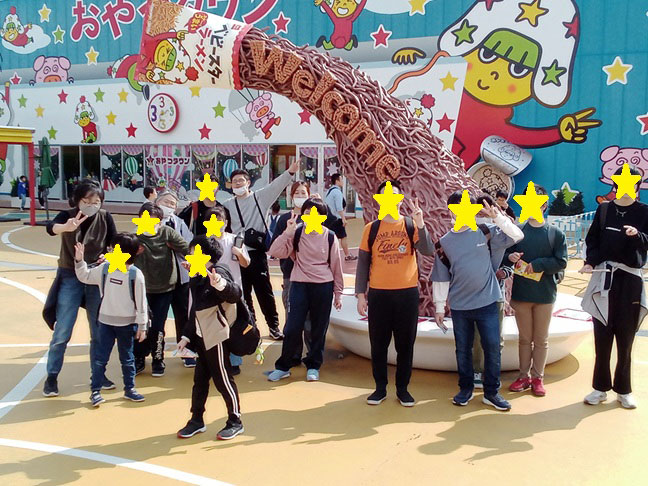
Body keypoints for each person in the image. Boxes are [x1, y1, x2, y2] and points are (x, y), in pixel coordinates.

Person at [432, 190, 523, 411]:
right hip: (460, 306)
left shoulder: (487, 232)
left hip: (489, 302)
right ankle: (465, 389)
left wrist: (497, 216)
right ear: (451, 211)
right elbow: (441, 277)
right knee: (462, 349)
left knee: (492, 348)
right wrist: (439, 308)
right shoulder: (444, 243)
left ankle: (491, 393)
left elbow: (517, 235)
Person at [355, 181, 435, 407]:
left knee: (405, 345)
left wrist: (421, 223)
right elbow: (363, 264)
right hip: (379, 295)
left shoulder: (410, 225)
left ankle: (403, 389)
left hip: (406, 295)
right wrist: (360, 295)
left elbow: (428, 250)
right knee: (378, 344)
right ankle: (380, 388)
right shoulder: (371, 229)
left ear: (400, 200)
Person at [580, 165, 648, 410]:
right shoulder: (605, 209)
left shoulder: (644, 211)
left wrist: (637, 235)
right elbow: (593, 240)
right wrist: (590, 262)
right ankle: (600, 388)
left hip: (630, 280)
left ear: (638, 186)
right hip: (604, 278)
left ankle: (624, 390)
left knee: (626, 338)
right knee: (602, 335)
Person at [43, 179, 117, 397]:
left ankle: (98, 375)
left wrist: (109, 255)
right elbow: (51, 228)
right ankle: (52, 376)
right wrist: (66, 227)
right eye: (87, 201)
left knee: (98, 330)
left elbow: (114, 243)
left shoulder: (105, 217)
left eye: (96, 201)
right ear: (77, 200)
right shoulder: (67, 216)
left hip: (95, 275)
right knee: (63, 330)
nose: (92, 205)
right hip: (70, 275)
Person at [266, 197, 344, 382]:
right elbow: (274, 251)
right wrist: (287, 232)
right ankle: (283, 366)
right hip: (299, 284)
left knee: (318, 328)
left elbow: (336, 266)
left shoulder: (330, 236)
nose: (311, 216)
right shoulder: (296, 233)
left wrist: (338, 293)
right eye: (307, 212)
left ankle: (313, 365)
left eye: (316, 213)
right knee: (292, 327)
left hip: (323, 286)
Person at [176, 236, 245, 440]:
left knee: (223, 379)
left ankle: (235, 421)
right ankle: (196, 420)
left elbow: (235, 294)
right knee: (199, 381)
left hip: (216, 336)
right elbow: (195, 310)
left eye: (193, 252)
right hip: (201, 337)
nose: (189, 255)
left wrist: (220, 284)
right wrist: (186, 336)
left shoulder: (219, 272)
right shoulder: (197, 275)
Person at [223, 161, 299, 340]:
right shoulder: (227, 205)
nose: (238, 184)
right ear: (230, 185)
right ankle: (252, 327)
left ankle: (273, 326)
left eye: (241, 180)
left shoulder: (260, 198)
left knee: (264, 292)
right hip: (238, 254)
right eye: (235, 182)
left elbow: (276, 186)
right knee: (244, 293)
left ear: (248, 182)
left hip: (256, 253)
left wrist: (290, 172)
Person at [505, 185, 567, 397]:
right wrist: (511, 257)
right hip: (522, 294)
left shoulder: (554, 233)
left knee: (541, 339)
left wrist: (539, 264)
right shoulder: (517, 232)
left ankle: (538, 378)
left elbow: (561, 261)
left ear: (544, 205)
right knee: (524, 339)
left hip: (545, 295)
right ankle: (523, 376)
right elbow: (505, 256)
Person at [73, 234, 148, 406]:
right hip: (105, 323)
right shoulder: (105, 269)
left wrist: (142, 326)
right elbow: (85, 276)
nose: (110, 251)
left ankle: (130, 389)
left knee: (127, 359)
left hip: (127, 324)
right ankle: (95, 391)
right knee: (100, 359)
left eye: (113, 249)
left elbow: (141, 302)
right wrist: (79, 260)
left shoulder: (135, 275)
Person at [134, 202, 190, 377]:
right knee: (141, 325)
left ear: (159, 221)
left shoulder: (167, 233)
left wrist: (181, 251)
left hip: (165, 288)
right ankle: (139, 358)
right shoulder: (135, 237)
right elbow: (120, 254)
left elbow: (187, 248)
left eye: (154, 221)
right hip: (142, 290)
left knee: (158, 326)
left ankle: (158, 358)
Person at [471, 193, 514, 389]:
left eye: (487, 207)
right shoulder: (468, 230)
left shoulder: (502, 229)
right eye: (479, 208)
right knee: (476, 335)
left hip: (496, 291)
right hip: (473, 292)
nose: (483, 212)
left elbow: (511, 253)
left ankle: (492, 371)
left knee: (496, 335)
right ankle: (476, 370)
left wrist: (505, 271)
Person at [204, 206, 251, 375]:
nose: (216, 223)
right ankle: (215, 361)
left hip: (233, 291)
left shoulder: (234, 240)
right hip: (211, 291)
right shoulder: (204, 242)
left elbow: (246, 263)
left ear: (226, 222)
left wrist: (239, 253)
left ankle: (234, 361)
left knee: (233, 326)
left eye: (219, 220)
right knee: (213, 327)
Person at [156, 190, 195, 368]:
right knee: (158, 319)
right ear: (157, 203)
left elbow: (189, 246)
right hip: (159, 281)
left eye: (172, 204)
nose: (169, 206)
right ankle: (157, 355)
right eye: (166, 202)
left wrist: (175, 245)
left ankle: (186, 351)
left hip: (181, 278)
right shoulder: (149, 222)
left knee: (183, 316)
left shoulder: (179, 223)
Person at [325, 173, 357, 261]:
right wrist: (343, 218)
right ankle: (347, 255)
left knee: (330, 237)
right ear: (337, 181)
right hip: (336, 218)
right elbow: (339, 207)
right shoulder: (337, 192)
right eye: (341, 179)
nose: (342, 181)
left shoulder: (329, 191)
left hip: (329, 218)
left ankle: (328, 255)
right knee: (343, 236)